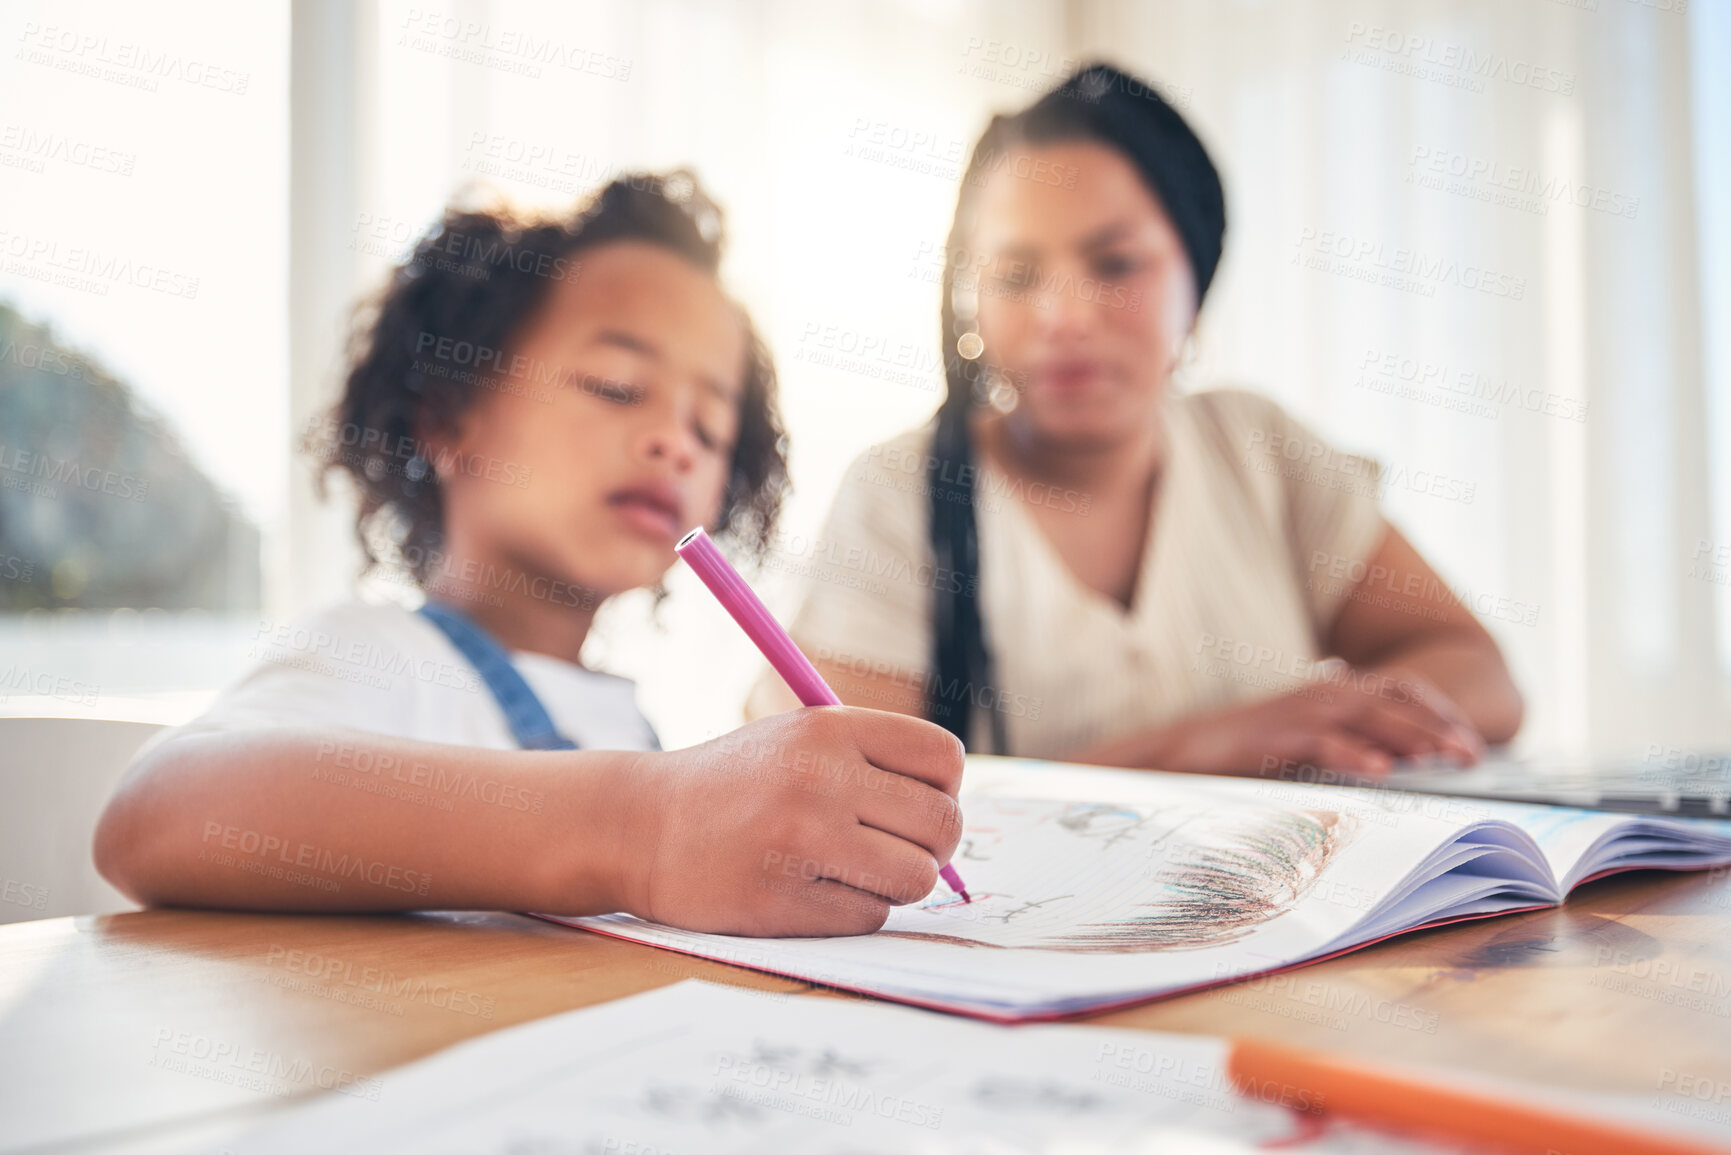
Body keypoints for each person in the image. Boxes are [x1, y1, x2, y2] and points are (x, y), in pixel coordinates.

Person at [94, 172, 963, 937]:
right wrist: (642, 828)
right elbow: (156, 815)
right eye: (616, 387)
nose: (674, 441)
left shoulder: (626, 726)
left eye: (709, 427)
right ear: (447, 422)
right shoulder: (383, 658)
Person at [747, 63, 1523, 778]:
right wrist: (1203, 747)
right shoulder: (900, 493)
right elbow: (851, 796)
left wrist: (1342, 719)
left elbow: (1480, 674)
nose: (1064, 317)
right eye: (1015, 275)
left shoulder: (1259, 449)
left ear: (1196, 278)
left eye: (1115, 265)